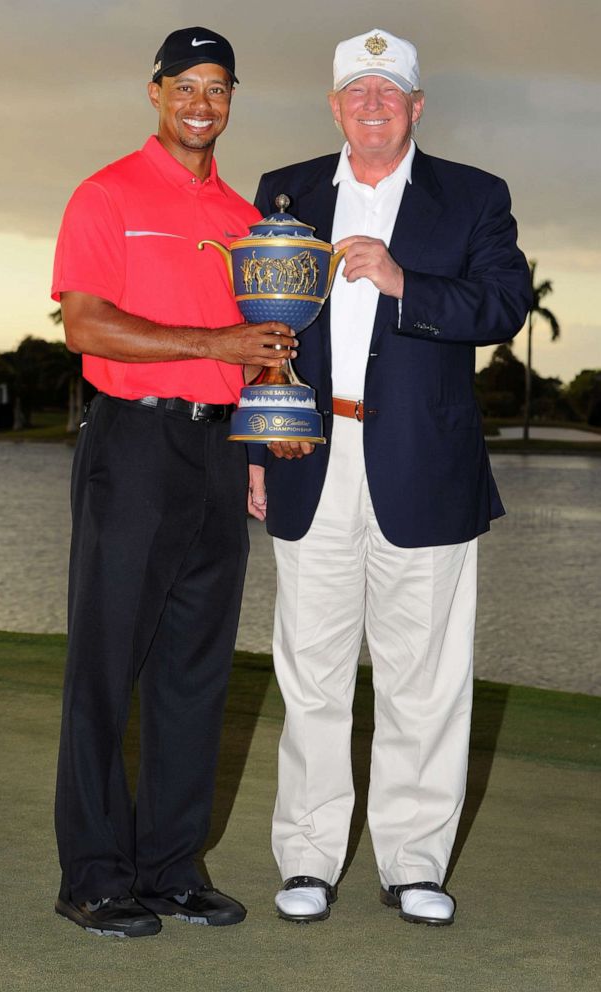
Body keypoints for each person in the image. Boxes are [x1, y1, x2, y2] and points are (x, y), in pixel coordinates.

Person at [247, 28, 532, 927]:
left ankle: (414, 866)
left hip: (426, 468)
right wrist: (258, 444)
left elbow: (502, 304)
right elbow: (260, 326)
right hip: (308, 460)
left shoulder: (474, 196)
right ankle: (307, 859)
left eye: (389, 91)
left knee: (425, 681)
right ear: (334, 106)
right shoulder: (283, 189)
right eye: (357, 91)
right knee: (314, 677)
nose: (372, 104)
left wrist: (406, 281)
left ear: (416, 107)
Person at [51, 26, 296, 938]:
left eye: (218, 87)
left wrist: (262, 434)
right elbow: (85, 326)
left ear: (231, 99)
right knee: (106, 666)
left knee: (195, 669)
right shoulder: (105, 193)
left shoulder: (246, 219)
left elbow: (263, 346)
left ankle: (171, 867)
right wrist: (218, 346)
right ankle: (95, 874)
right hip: (134, 446)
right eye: (186, 85)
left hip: (218, 453)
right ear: (154, 92)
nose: (202, 102)